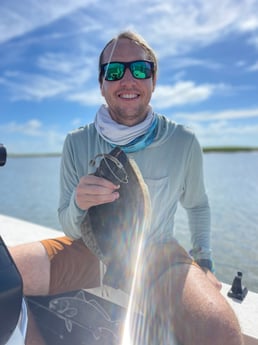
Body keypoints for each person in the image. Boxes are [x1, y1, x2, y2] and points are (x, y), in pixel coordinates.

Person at [10, 31, 243, 345]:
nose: (128, 79)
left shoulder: (182, 141)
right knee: (3, 278)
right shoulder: (76, 142)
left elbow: (197, 204)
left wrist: (204, 263)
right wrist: (79, 202)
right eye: (115, 71)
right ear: (102, 84)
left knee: (222, 332)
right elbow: (68, 223)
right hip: (90, 250)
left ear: (154, 79)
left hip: (157, 254)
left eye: (141, 69)